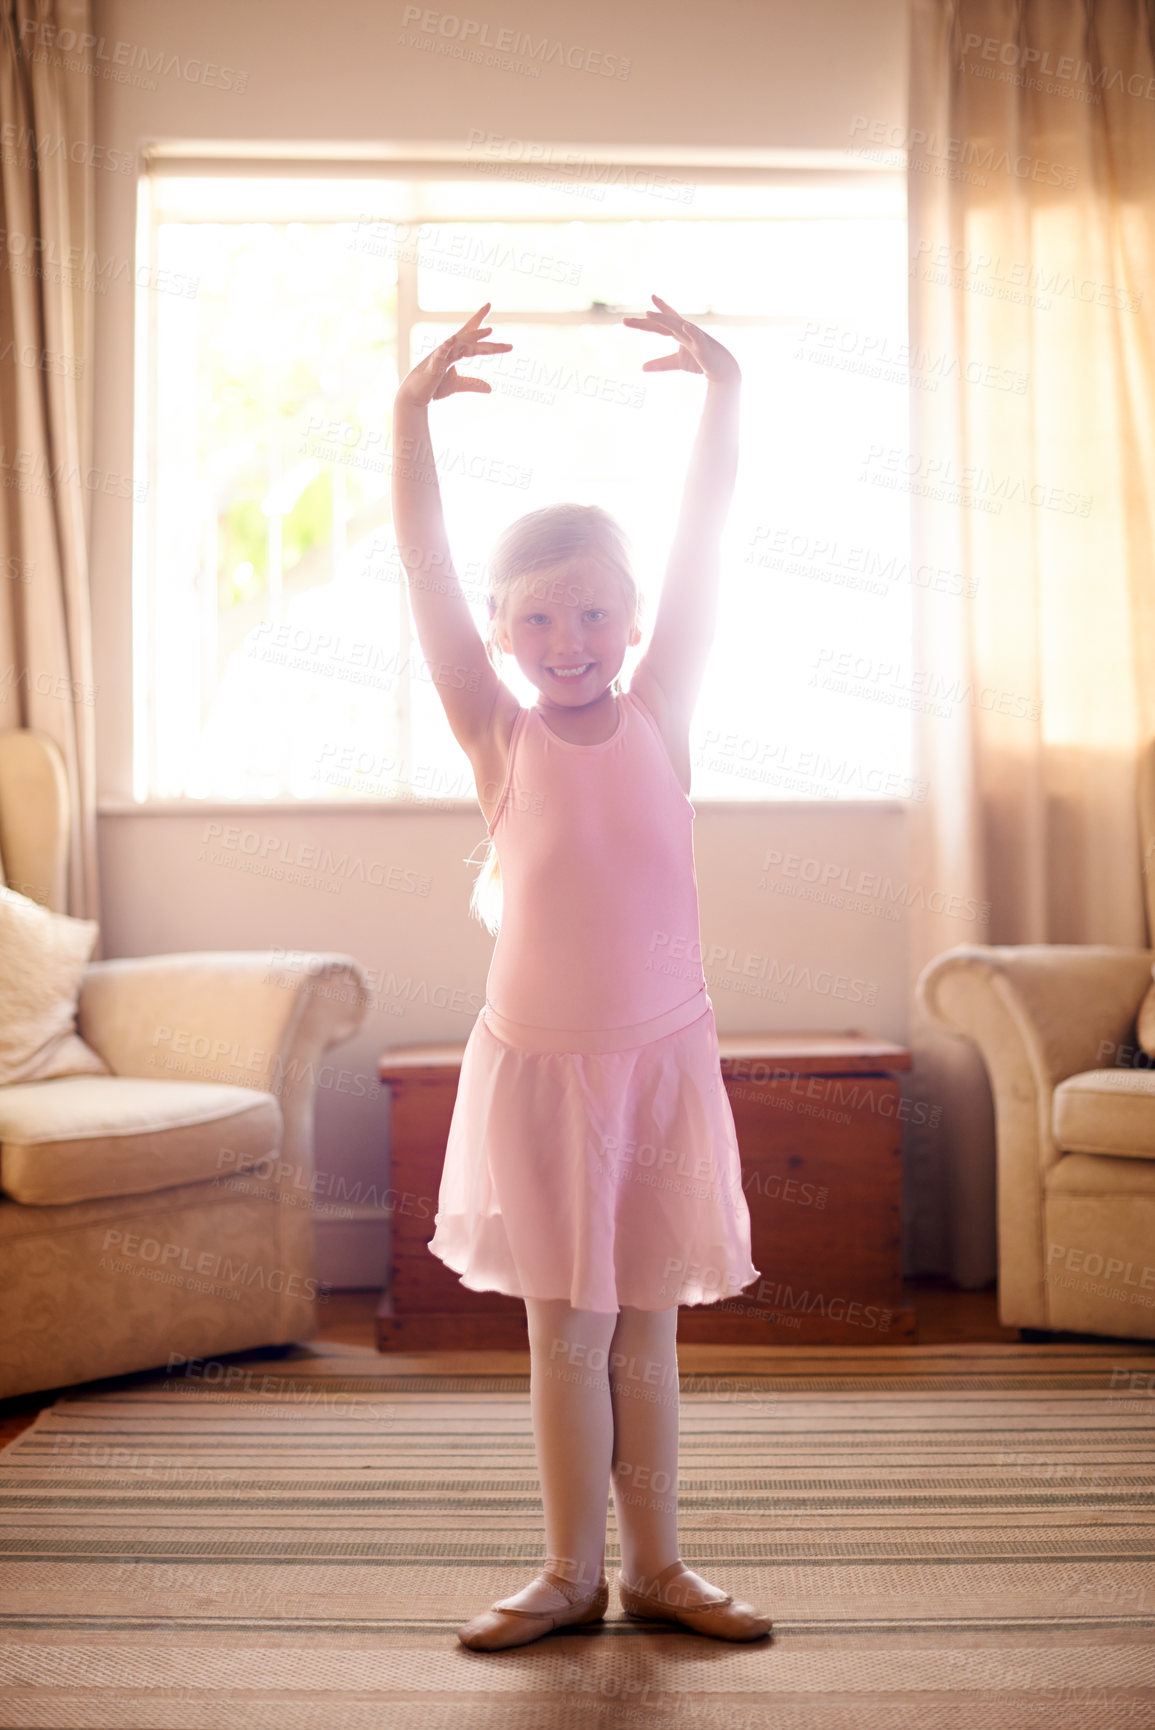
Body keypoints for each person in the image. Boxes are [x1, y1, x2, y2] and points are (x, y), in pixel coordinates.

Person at [391, 296, 771, 1652]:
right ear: (502, 632)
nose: (570, 638)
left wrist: (724, 393)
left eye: (594, 611)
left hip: (660, 1060)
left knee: (646, 1335)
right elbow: (426, 575)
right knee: (566, 1331)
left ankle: (658, 1565)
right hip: (544, 1072)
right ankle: (566, 1569)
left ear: (631, 618)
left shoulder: (663, 705)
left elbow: (706, 539)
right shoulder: (497, 735)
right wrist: (407, 421)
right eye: (540, 618)